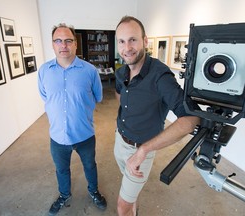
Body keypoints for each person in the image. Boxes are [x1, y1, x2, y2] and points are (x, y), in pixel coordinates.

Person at [114, 16, 200, 216]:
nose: (127, 47)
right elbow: (120, 94)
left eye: (133, 39)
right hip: (120, 142)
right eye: (121, 41)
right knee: (130, 195)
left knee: (122, 206)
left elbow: (191, 119)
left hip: (139, 152)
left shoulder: (160, 76)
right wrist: (120, 124)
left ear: (145, 41)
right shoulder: (122, 72)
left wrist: (144, 150)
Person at [38, 23, 107, 216]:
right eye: (58, 41)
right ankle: (64, 194)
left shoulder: (90, 71)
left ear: (75, 44)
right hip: (57, 137)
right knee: (62, 170)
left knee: (90, 165)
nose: (63, 45)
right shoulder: (44, 71)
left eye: (68, 40)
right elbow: (46, 97)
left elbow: (98, 97)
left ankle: (93, 191)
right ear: (52, 44)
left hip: (84, 134)